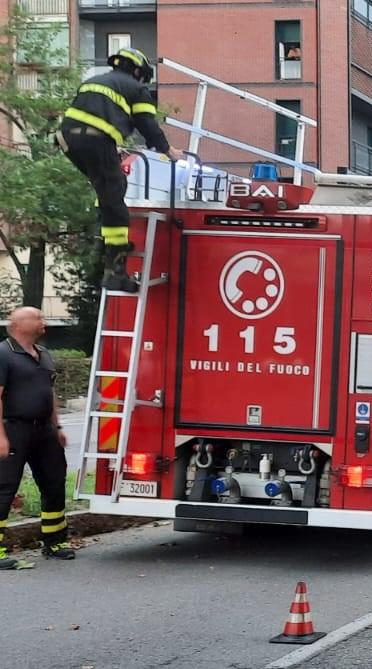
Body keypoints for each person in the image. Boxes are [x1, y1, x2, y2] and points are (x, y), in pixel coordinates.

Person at [57, 47, 183, 292]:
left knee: (110, 191)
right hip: (95, 140)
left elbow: (88, 117)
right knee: (115, 204)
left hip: (68, 141)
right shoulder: (136, 89)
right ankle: (115, 271)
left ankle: (105, 244)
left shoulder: (93, 81)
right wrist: (168, 150)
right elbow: (147, 124)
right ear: (137, 71)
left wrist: (110, 147)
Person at [0, 307, 75, 570]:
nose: (44, 321)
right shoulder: (3, 354)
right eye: (38, 317)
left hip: (44, 430)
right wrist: (0, 436)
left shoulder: (44, 354)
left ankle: (55, 542)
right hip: (13, 428)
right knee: (4, 488)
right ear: (17, 325)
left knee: (54, 483)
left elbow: (49, 392)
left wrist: (57, 426)